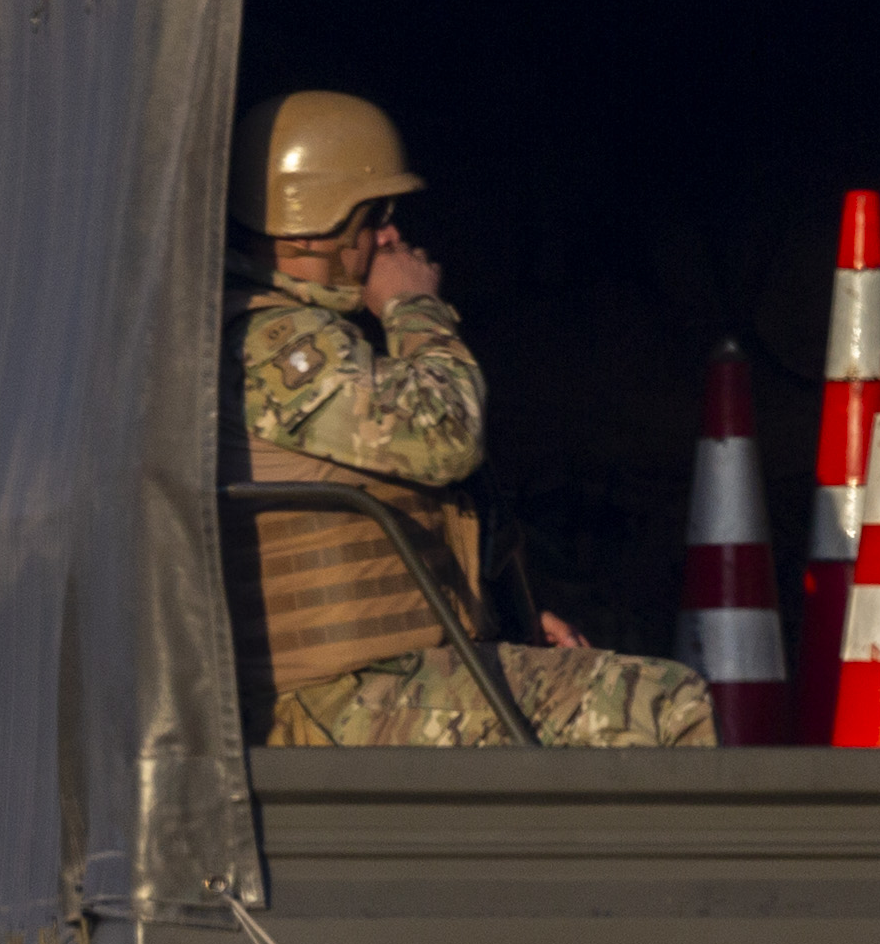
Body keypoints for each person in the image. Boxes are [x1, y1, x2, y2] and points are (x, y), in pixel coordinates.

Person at [222, 90, 712, 749]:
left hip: (380, 684)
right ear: (315, 227)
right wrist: (414, 309)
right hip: (333, 704)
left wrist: (505, 618)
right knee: (665, 707)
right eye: (376, 215)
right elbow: (444, 437)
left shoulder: (309, 336)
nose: (392, 235)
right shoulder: (273, 342)